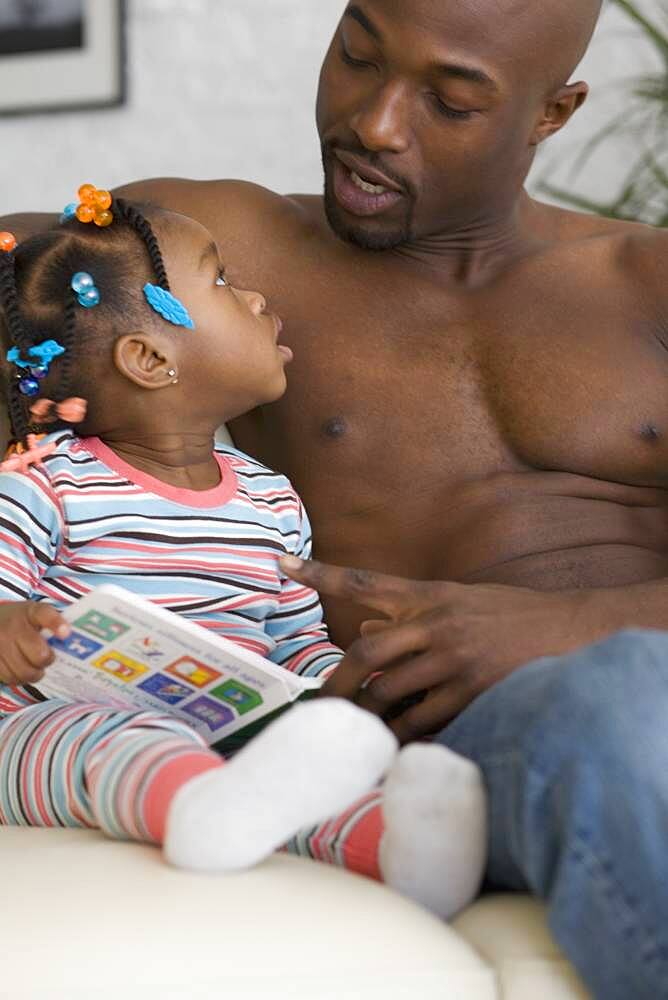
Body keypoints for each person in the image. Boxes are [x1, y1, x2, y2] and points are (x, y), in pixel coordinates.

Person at [3, 0, 668, 995]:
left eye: (448, 101)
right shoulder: (227, 250)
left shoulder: (644, 288)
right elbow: (28, 295)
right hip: (372, 754)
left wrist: (560, 623)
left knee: (613, 684)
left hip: (627, 710)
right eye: (357, 54)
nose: (375, 122)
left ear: (550, 113)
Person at [0, 193, 487, 916]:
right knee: (109, 736)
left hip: (224, 725)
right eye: (222, 281)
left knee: (316, 753)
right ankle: (198, 806)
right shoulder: (46, 481)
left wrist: (346, 688)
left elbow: (294, 643)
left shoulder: (269, 501)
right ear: (149, 358)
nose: (259, 298)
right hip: (41, 728)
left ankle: (394, 846)